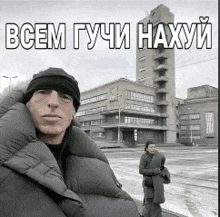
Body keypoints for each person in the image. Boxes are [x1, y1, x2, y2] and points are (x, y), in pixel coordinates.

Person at [0, 67, 140, 217]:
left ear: (73, 112)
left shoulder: (98, 163)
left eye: (65, 96)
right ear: (28, 104)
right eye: (42, 92)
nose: (53, 102)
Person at [139, 141, 171, 217]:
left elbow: (162, 168)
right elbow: (141, 170)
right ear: (146, 149)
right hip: (148, 183)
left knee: (156, 203)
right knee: (149, 203)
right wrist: (154, 171)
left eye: (154, 147)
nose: (153, 149)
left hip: (158, 184)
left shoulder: (160, 157)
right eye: (151, 147)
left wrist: (164, 175)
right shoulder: (144, 157)